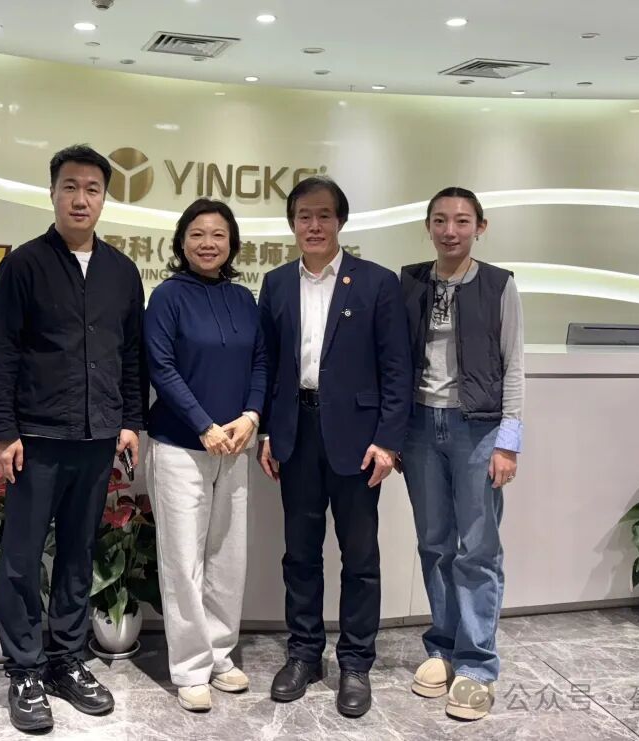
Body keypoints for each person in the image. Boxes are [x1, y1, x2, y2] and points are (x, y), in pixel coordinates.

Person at [0, 144, 145, 733]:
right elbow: (1, 353)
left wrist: (130, 420)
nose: (81, 199)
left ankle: (68, 660)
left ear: (105, 198)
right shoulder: (24, 265)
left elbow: (131, 354)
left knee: (79, 553)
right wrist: (4, 431)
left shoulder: (122, 272)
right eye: (70, 187)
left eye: (93, 189)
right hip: (37, 437)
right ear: (52, 193)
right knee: (23, 557)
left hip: (98, 436)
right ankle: (25, 669)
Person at [257, 176, 412, 718]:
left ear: (340, 221)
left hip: (358, 440)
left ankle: (355, 662)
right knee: (300, 554)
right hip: (295, 433)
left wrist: (388, 442)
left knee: (360, 557)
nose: (314, 225)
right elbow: (268, 364)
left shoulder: (376, 282)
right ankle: (304, 654)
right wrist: (268, 431)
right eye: (304, 216)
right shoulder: (276, 283)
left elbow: (397, 368)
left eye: (324, 215)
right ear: (292, 224)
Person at [398, 186, 525, 721]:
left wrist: (508, 441)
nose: (450, 230)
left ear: (480, 227)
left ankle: (477, 665)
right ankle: (443, 647)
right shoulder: (409, 282)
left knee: (477, 549)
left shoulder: (498, 284)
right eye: (440, 220)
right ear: (428, 226)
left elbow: (514, 364)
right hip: (419, 427)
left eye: (462, 220)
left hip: (478, 430)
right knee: (434, 543)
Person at [143, 198, 267, 712]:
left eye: (218, 234)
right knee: (182, 560)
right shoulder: (167, 297)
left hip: (235, 446)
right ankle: (191, 667)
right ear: (181, 242)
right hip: (180, 446)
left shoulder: (243, 299)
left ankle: (220, 653)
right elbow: (161, 366)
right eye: (197, 234)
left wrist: (251, 417)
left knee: (227, 557)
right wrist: (204, 426)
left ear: (232, 244)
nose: (208, 243)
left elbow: (261, 361)